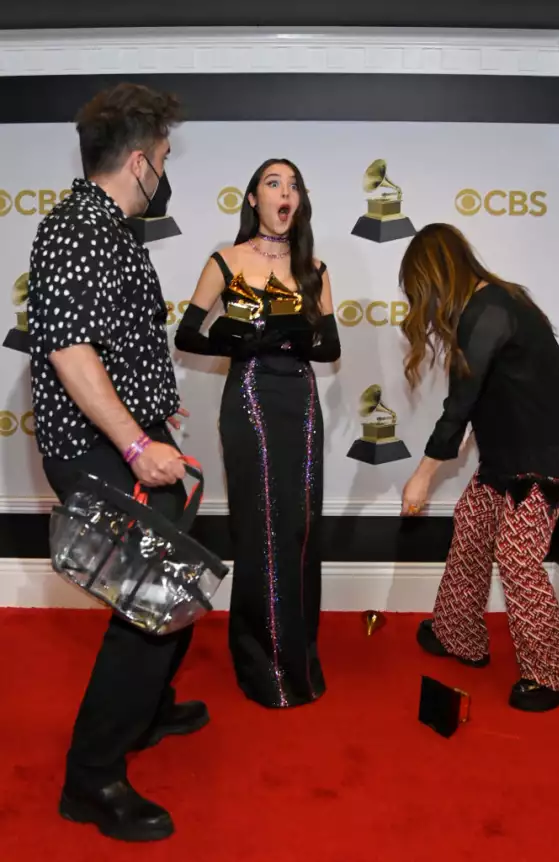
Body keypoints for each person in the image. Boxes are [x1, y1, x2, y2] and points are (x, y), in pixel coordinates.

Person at [28, 83, 209, 842]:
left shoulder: (106, 228)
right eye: (163, 157)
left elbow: (111, 342)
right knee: (155, 604)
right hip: (102, 453)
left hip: (128, 441)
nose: (165, 171)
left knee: (181, 580)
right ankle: (92, 778)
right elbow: (70, 352)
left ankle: (146, 712)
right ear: (138, 162)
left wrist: (154, 410)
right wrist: (137, 444)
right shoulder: (76, 228)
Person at [398, 223, 559, 713]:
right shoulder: (493, 303)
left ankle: (555, 675)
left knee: (516, 555)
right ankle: (458, 635)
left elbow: (460, 403)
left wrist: (422, 475)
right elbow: (484, 396)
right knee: (471, 528)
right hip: (511, 453)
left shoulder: (488, 310)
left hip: (546, 455)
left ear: (435, 278)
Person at [175, 158, 340, 708]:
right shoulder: (226, 260)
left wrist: (293, 336)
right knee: (263, 523)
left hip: (300, 399)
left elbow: (331, 348)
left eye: (294, 183)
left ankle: (299, 658)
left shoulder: (313, 267)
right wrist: (240, 340)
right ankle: (260, 662)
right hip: (248, 396)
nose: (285, 192)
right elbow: (188, 335)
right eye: (274, 183)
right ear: (252, 199)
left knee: (301, 526)